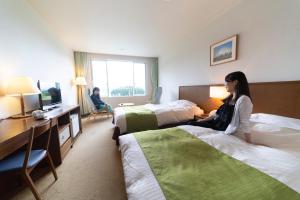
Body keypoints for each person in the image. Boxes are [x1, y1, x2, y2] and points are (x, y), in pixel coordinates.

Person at [189, 71, 253, 142]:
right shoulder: (230, 98)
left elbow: (245, 123)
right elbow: (216, 115)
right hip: (215, 124)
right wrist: (201, 121)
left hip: (220, 128)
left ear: (235, 82)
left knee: (190, 124)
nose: (224, 84)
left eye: (226, 81)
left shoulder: (244, 99)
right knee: (191, 122)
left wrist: (249, 142)